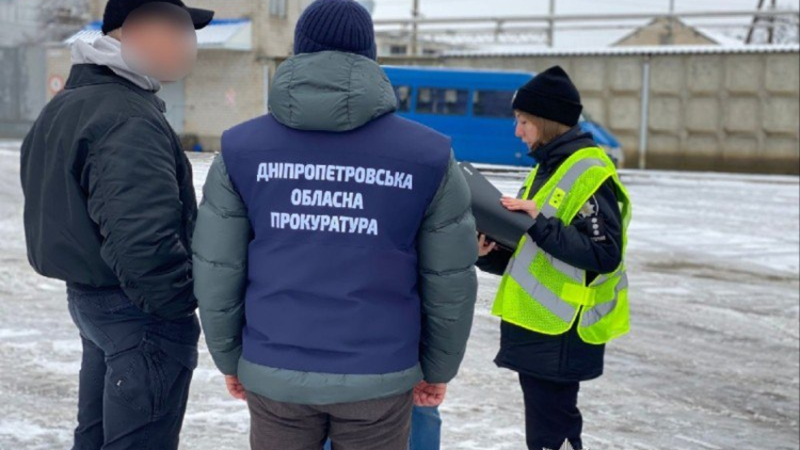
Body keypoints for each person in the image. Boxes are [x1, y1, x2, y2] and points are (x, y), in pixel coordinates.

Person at [191, 1, 479, 450]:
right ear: (369, 55)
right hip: (379, 378)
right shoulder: (429, 156)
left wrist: (231, 358)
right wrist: (438, 368)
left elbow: (217, 268)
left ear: (299, 51)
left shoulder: (241, 149)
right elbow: (448, 278)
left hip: (274, 368)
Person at [19, 0, 214, 448]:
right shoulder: (125, 116)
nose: (190, 44)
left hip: (93, 300)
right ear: (130, 34)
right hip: (139, 313)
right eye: (178, 29)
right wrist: (178, 306)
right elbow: (142, 238)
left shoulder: (75, 101)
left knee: (95, 437)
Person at [476, 66, 632, 450]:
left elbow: (604, 253)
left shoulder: (588, 172)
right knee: (547, 433)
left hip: (564, 332)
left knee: (553, 435)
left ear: (547, 122)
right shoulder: (547, 171)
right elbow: (534, 250)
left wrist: (539, 223)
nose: (517, 131)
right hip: (539, 329)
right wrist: (490, 253)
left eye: (523, 121)